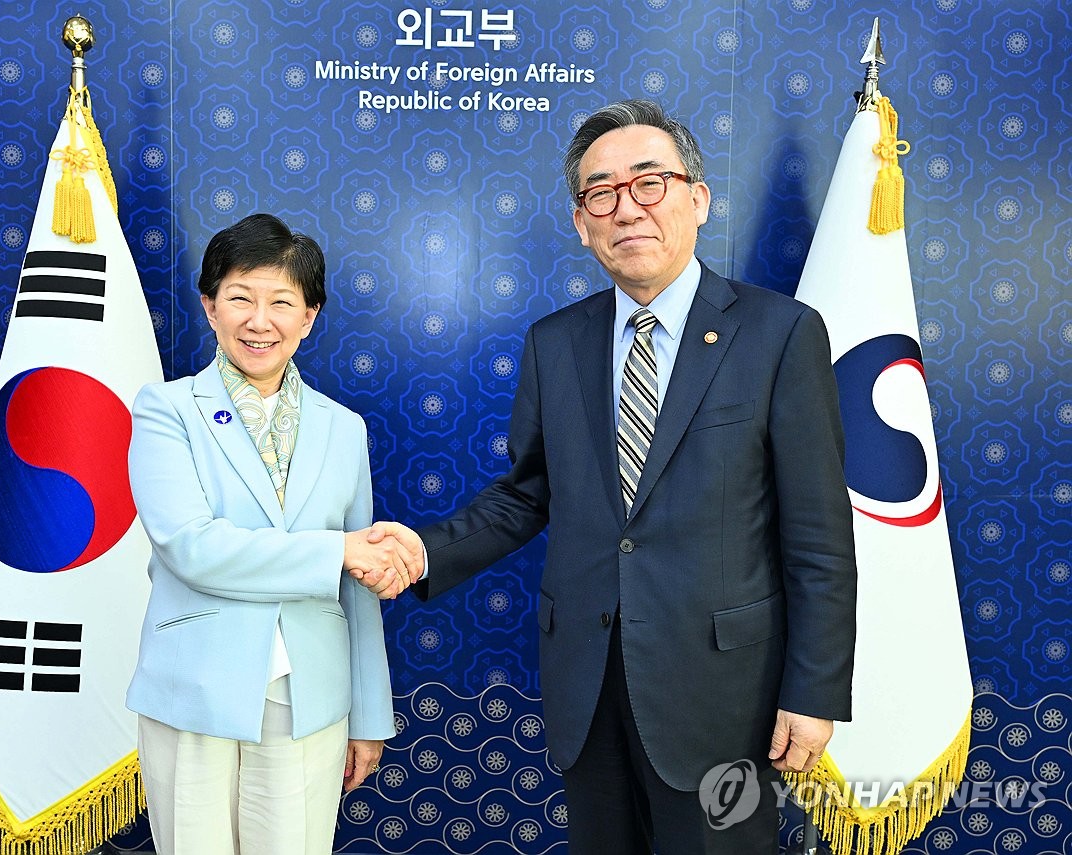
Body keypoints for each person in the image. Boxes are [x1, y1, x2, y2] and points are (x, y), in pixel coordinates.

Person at [356, 100, 857, 853]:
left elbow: (818, 533)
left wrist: (813, 693)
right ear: (581, 221)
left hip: (726, 696)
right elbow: (528, 493)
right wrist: (423, 551)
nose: (628, 208)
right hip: (588, 687)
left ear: (698, 198)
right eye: (602, 193)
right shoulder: (556, 343)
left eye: (649, 183)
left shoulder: (781, 333)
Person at [125, 213, 421, 854]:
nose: (259, 321)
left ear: (309, 316)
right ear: (209, 307)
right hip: (194, 686)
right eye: (240, 298)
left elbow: (360, 586)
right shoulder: (166, 410)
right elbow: (192, 547)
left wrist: (368, 716)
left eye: (281, 302)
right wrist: (335, 551)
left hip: (310, 693)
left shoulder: (345, 429)